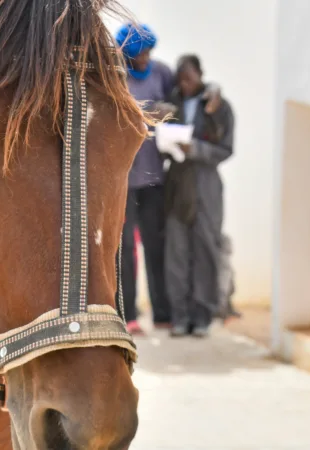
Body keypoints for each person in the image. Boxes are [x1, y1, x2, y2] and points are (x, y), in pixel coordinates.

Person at [164, 54, 235, 338]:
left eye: (189, 78)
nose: (184, 83)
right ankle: (179, 317)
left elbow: (226, 148)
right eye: (180, 78)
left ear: (201, 75)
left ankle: (202, 317)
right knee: (176, 253)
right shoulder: (173, 102)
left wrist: (196, 149)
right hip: (177, 183)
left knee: (206, 249)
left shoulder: (219, 105)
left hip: (206, 185)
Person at [115, 23, 175, 335]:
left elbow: (181, 105)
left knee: (156, 245)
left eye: (148, 52)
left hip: (155, 178)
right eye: (138, 54)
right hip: (124, 181)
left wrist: (168, 111)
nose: (144, 59)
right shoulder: (115, 76)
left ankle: (163, 311)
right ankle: (129, 315)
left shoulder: (162, 73)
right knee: (125, 250)